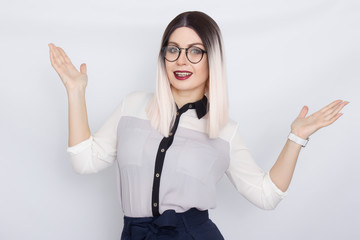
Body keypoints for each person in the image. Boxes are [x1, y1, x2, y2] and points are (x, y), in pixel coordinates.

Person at [48, 11, 348, 240]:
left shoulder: (224, 129)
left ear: (211, 59)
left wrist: (296, 138)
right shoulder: (133, 106)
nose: (181, 61)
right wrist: (76, 92)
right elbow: (84, 161)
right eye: (173, 49)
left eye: (195, 51)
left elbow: (266, 195)